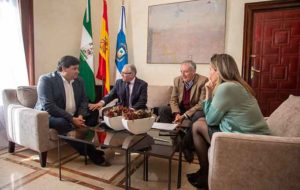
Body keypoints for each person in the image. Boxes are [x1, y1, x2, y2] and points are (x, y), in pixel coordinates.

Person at [187, 54, 270, 189]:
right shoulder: (237, 85)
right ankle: (204, 172)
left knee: (197, 125)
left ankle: (204, 175)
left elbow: (212, 120)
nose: (209, 73)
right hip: (252, 135)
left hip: (244, 139)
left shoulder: (226, 88)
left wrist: (208, 93)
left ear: (218, 71)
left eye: (210, 69)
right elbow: (211, 118)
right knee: (200, 119)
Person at [35, 55, 107, 166]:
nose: (77, 71)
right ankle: (91, 152)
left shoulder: (79, 80)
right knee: (62, 122)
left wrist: (81, 116)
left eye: (77, 68)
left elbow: (84, 100)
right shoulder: (46, 80)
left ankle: (83, 138)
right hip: (50, 115)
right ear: (63, 69)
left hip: (74, 114)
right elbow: (48, 106)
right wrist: (71, 119)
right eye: (74, 68)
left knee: (94, 112)